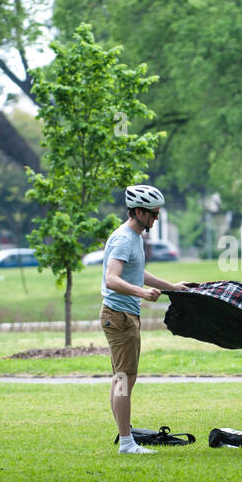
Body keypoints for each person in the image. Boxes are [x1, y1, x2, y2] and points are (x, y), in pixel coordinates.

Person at [100, 184, 192, 454]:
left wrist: (172, 287)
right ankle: (127, 443)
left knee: (122, 378)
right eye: (152, 213)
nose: (156, 218)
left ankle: (125, 437)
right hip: (119, 316)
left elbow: (138, 272)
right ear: (138, 211)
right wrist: (141, 293)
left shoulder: (135, 237)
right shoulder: (124, 239)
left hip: (124, 315)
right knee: (124, 378)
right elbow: (111, 278)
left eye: (158, 213)